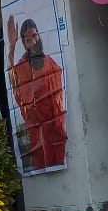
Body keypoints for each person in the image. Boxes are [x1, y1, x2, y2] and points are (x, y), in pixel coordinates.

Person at [6, 15, 67, 171]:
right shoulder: (22, 66)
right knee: (43, 165)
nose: (32, 41)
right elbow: (13, 80)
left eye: (34, 36)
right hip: (38, 130)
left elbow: (59, 92)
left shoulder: (49, 62)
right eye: (27, 39)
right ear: (24, 44)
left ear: (39, 36)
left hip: (56, 127)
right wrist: (12, 46)